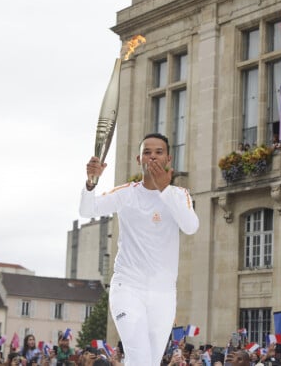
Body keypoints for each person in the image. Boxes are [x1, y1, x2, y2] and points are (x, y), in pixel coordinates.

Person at [80, 133, 200, 366]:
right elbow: (88, 209)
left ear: (169, 158)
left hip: (163, 294)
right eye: (147, 152)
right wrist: (91, 182)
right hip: (128, 287)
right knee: (140, 358)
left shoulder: (178, 195)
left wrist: (164, 188)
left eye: (158, 152)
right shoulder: (126, 194)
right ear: (139, 159)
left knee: (150, 362)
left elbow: (191, 226)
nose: (153, 157)